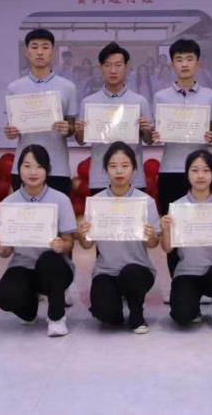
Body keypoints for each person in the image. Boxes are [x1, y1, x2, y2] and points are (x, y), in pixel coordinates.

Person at [0, 145, 77, 337]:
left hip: (54, 267)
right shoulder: (9, 204)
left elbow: (69, 242)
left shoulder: (60, 199)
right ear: (19, 169)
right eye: (27, 166)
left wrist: (61, 245)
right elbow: (7, 252)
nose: (32, 172)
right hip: (23, 264)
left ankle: (56, 317)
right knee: (4, 296)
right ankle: (28, 311)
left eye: (39, 166)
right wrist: (1, 248)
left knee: (49, 260)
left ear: (47, 170)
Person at [76, 142, 162, 333]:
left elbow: (154, 243)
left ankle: (137, 314)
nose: (119, 171)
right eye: (113, 166)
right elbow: (87, 245)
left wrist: (150, 237)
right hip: (106, 270)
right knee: (106, 315)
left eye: (125, 165)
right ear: (106, 169)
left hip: (138, 269)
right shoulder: (96, 203)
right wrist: (83, 235)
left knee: (131, 274)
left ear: (134, 169)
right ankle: (117, 302)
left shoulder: (145, 202)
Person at [152, 39, 212, 278]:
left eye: (189, 59)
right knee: (173, 227)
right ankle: (177, 280)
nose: (184, 64)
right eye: (179, 59)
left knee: (201, 226)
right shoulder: (161, 97)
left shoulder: (210, 96)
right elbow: (153, 133)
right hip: (171, 170)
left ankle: (203, 277)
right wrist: (154, 134)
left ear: (198, 63)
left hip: (201, 172)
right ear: (172, 64)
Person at [160, 150, 212, 333]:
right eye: (195, 170)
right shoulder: (177, 206)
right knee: (182, 316)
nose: (200, 175)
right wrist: (165, 230)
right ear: (187, 174)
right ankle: (193, 306)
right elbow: (167, 248)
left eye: (206, 170)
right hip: (187, 272)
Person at [5, 28, 78, 195]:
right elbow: (12, 127)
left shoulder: (68, 87)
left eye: (45, 47)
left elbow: (72, 127)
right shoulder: (14, 88)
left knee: (56, 210)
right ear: (26, 52)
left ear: (53, 52)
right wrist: (10, 132)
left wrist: (68, 129)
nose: (39, 52)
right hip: (24, 166)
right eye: (34, 47)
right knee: (24, 211)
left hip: (57, 167)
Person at [75, 42, 153, 194]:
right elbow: (81, 140)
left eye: (118, 65)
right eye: (107, 65)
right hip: (100, 177)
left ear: (127, 67)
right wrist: (80, 130)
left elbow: (149, 140)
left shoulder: (140, 101)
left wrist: (146, 129)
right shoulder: (89, 102)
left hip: (134, 178)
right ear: (100, 68)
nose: (113, 70)